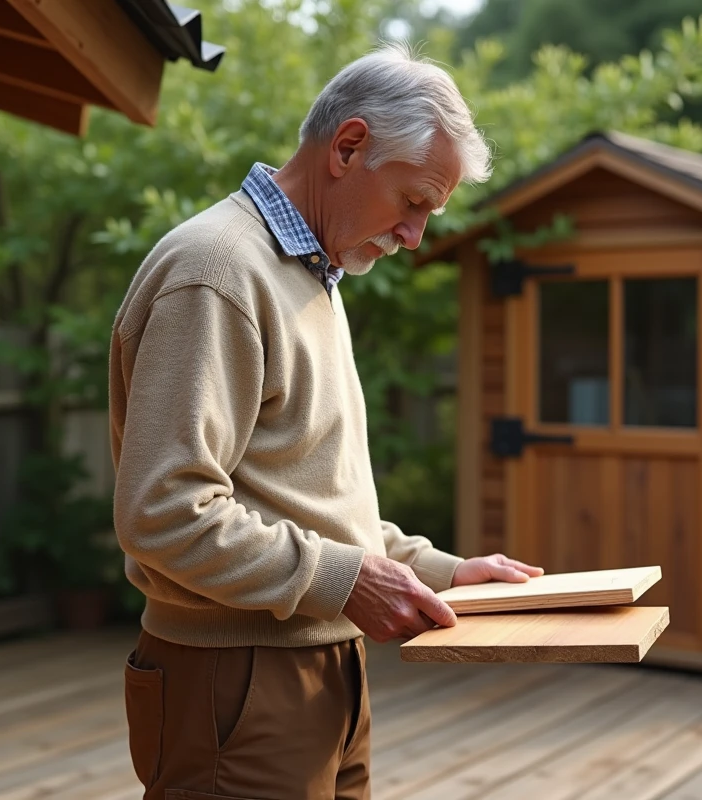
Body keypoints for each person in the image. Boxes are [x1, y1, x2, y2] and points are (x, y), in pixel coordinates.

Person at [108, 42, 544, 800]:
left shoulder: (311, 277)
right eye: (413, 203)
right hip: (237, 683)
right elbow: (163, 513)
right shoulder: (217, 273)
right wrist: (344, 581)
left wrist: (441, 573)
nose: (416, 237)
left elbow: (307, 501)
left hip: (323, 669)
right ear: (349, 146)